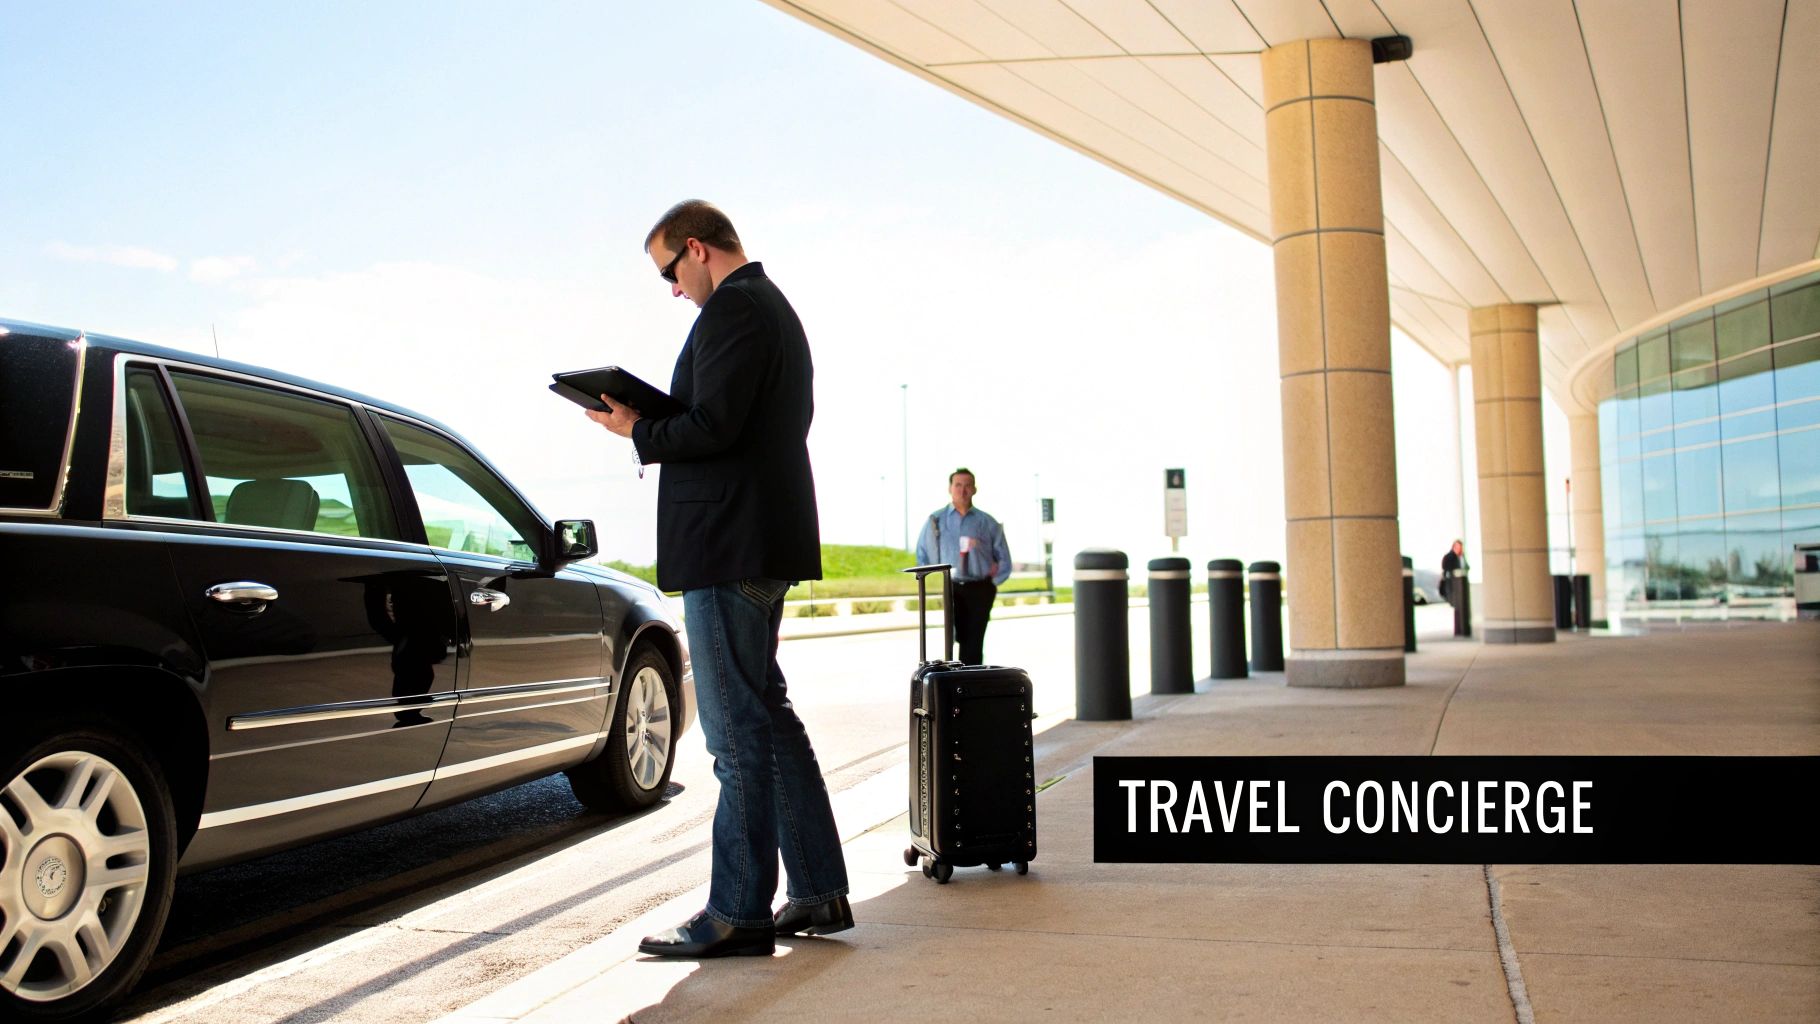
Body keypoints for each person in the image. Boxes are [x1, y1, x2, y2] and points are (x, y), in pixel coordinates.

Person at [585, 200, 851, 959]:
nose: (673, 289)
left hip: (730, 545)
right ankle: (819, 888)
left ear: (697, 248)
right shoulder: (765, 309)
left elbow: (715, 428)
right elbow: (729, 419)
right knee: (767, 713)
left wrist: (637, 429)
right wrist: (655, 416)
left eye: (670, 271)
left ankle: (738, 912)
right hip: (757, 539)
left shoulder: (737, 310)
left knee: (736, 736)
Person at [914, 468, 1012, 665]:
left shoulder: (987, 522)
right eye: (958, 485)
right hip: (950, 587)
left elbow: (1004, 558)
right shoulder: (936, 520)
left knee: (974, 642)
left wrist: (993, 580)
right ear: (950, 488)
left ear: (974, 489)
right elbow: (922, 553)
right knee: (952, 637)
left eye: (967, 485)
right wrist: (931, 580)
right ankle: (952, 683)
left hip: (980, 588)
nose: (962, 490)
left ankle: (970, 684)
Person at [1440, 539, 1468, 605]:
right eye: (1458, 547)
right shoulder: (1449, 556)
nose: (1459, 549)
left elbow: (1466, 566)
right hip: (1452, 583)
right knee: (1455, 602)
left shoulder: (1462, 557)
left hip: (1461, 582)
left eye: (1460, 547)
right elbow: (1446, 568)